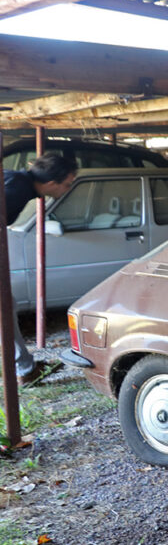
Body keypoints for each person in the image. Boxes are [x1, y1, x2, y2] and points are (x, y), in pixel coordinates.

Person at [2, 152, 77, 385]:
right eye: (66, 184)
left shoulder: (17, 181)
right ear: (50, 183)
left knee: (5, 305)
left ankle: (24, 367)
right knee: (4, 305)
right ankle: (24, 369)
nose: (66, 190)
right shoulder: (17, 190)